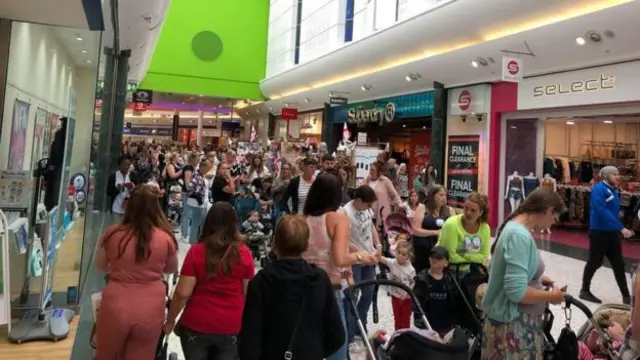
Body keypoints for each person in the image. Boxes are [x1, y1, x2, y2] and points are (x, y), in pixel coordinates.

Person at [238, 215, 345, 360]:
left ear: (275, 243)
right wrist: (315, 351)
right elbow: (336, 334)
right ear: (306, 245)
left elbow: (250, 337)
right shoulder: (319, 280)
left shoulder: (261, 282)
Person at [94, 185, 178, 360]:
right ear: (156, 208)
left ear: (129, 206)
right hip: (151, 307)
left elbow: (101, 264)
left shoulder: (113, 234)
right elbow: (171, 269)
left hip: (115, 303)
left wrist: (120, 269)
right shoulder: (165, 238)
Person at [481, 188, 566, 359]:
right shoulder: (519, 235)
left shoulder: (513, 227)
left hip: (508, 324)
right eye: (555, 217)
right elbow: (516, 292)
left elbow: (500, 270)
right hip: (513, 328)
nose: (553, 222)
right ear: (549, 210)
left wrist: (537, 277)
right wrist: (551, 296)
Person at [164, 202, 255, 360]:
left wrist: (170, 320)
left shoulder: (197, 252)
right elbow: (247, 293)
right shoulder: (244, 254)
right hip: (230, 327)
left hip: (197, 325)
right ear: (234, 224)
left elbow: (182, 293)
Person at [302, 170, 378, 360]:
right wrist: (362, 256)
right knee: (338, 346)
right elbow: (340, 258)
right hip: (330, 287)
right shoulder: (338, 218)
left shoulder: (303, 219)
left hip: (304, 287)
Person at [580, 166, 632, 304]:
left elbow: (612, 211)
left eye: (618, 174)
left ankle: (626, 297)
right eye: (614, 174)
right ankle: (584, 290)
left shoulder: (615, 190)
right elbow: (602, 211)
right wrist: (620, 227)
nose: (618, 176)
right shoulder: (599, 189)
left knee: (619, 264)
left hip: (612, 234)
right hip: (599, 233)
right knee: (595, 262)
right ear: (606, 176)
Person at [340, 185, 381, 350]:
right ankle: (349, 334)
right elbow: (345, 240)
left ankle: (361, 324)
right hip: (355, 259)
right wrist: (363, 254)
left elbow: (371, 227)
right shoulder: (345, 213)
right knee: (352, 296)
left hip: (369, 257)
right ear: (358, 200)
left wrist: (377, 244)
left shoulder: (366, 210)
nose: (369, 208)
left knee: (369, 293)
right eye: (367, 204)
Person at [436, 192, 491, 270]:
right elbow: (450, 256)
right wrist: (472, 263)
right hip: (449, 271)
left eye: (473, 210)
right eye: (466, 208)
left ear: (480, 213)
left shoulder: (485, 228)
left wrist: (464, 254)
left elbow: (484, 256)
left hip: (472, 271)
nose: (468, 213)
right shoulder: (451, 224)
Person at [413, 246, 456, 335]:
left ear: (446, 263)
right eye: (432, 256)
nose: (435, 259)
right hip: (426, 325)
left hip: (445, 325)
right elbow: (416, 303)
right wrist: (419, 323)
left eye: (439, 257)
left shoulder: (450, 280)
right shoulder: (421, 279)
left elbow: (454, 302)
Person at [411, 185, 451, 273]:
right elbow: (415, 230)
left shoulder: (448, 210)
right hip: (423, 249)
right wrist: (435, 232)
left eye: (445, 195)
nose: (444, 198)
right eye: (441, 195)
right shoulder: (422, 208)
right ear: (432, 196)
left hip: (440, 250)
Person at [378, 240, 416, 331]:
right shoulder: (392, 262)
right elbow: (382, 259)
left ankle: (406, 336)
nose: (400, 256)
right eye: (398, 252)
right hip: (395, 296)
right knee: (397, 318)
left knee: (405, 319)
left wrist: (407, 294)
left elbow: (413, 283)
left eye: (404, 254)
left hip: (406, 299)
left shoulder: (410, 269)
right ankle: (397, 335)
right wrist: (376, 252)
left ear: (408, 256)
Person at [186, 159, 214, 244]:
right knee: (196, 223)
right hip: (197, 203)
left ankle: (197, 241)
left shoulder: (203, 175)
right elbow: (191, 188)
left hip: (203, 203)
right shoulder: (196, 174)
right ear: (203, 166)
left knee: (200, 223)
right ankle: (193, 242)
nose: (208, 170)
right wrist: (199, 195)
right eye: (208, 168)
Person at [106, 155, 139, 220]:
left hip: (129, 209)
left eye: (128, 165)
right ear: (119, 165)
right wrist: (118, 189)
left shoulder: (133, 176)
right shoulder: (113, 176)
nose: (126, 167)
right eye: (124, 165)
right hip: (116, 208)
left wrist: (132, 189)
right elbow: (108, 192)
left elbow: (138, 192)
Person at [181, 153, 199, 240]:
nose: (198, 161)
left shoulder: (191, 168)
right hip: (188, 193)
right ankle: (185, 234)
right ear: (193, 159)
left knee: (186, 213)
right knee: (187, 214)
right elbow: (187, 181)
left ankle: (184, 232)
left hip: (188, 193)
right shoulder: (188, 168)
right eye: (197, 159)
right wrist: (191, 192)